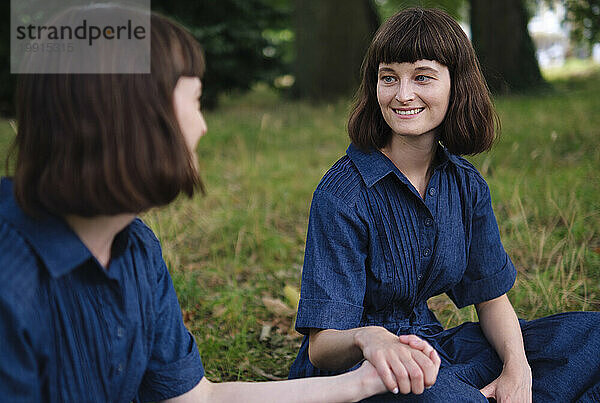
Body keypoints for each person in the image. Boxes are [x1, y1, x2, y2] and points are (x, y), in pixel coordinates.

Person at [0, 7, 389, 403]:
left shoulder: (135, 248)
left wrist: (362, 382)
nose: (203, 126)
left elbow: (194, 398)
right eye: (196, 101)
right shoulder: (11, 278)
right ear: (136, 116)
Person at [288, 7, 600, 402]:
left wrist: (517, 370)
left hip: (434, 346)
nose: (403, 95)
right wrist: (373, 339)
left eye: (422, 77)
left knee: (592, 340)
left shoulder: (465, 185)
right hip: (362, 369)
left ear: (457, 85)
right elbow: (322, 347)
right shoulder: (343, 194)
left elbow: (491, 299)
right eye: (389, 78)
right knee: (446, 396)